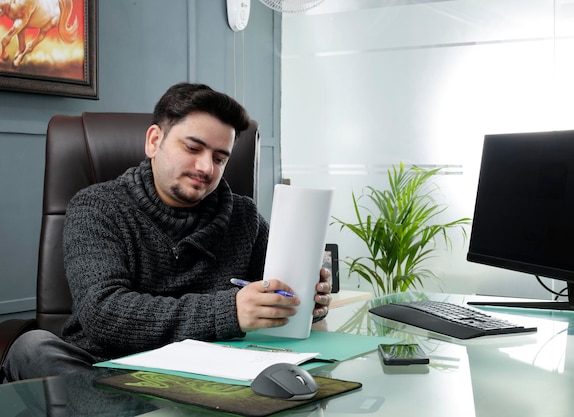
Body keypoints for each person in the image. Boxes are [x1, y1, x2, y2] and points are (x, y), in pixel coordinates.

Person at [3, 82, 332, 382]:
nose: (206, 167)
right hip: (107, 370)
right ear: (154, 141)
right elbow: (103, 313)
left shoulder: (243, 216)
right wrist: (229, 311)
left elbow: (275, 294)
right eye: (193, 148)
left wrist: (305, 299)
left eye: (220, 158)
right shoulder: (97, 207)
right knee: (33, 348)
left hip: (213, 375)